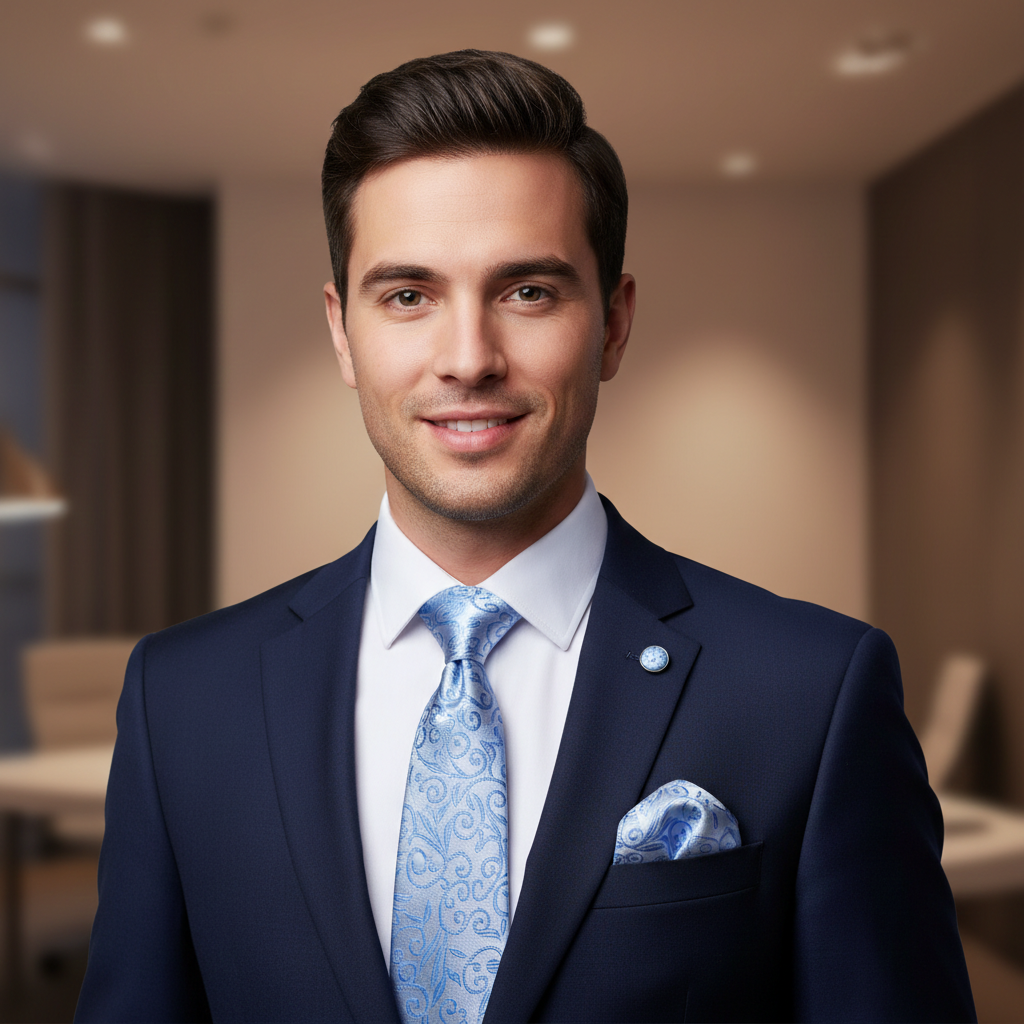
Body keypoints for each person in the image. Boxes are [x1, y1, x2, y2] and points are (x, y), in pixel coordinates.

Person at [76, 50, 975, 1023]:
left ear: (615, 323)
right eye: (408, 295)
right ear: (342, 331)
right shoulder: (182, 701)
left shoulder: (812, 692)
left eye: (528, 291)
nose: (468, 359)